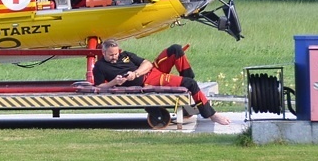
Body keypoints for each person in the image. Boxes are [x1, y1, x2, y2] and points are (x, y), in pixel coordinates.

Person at [92, 39, 230, 125]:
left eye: (116, 53)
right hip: (150, 80)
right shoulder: (100, 66)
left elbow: (147, 64)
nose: (115, 56)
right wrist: (114, 81)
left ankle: (188, 85)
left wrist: (136, 73)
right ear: (103, 53)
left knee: (176, 49)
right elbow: (99, 86)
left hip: (149, 70)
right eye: (111, 55)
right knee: (190, 84)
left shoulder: (126, 54)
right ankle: (211, 114)